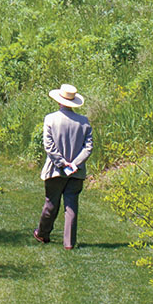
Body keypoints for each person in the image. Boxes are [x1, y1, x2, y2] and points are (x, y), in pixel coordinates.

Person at [34, 83, 93, 250]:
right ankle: (69, 243)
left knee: (51, 203)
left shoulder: (50, 119)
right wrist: (75, 164)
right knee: (71, 205)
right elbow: (88, 148)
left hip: (55, 169)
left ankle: (43, 233)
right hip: (76, 172)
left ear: (59, 100)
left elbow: (49, 145)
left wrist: (61, 162)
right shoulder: (84, 122)